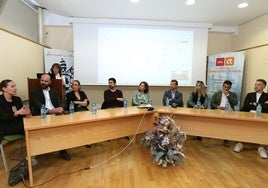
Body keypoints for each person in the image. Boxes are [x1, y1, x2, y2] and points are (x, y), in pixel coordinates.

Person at [30, 74, 71, 161]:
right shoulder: (34, 92)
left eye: (46, 81)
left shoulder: (54, 91)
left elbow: (60, 102)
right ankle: (39, 150)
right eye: (42, 80)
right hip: (42, 116)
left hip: (55, 115)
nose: (43, 82)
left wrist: (61, 108)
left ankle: (62, 150)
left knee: (62, 129)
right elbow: (39, 106)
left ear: (50, 82)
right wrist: (51, 111)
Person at [234, 79, 268, 158]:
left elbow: (267, 108)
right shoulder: (249, 95)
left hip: (262, 117)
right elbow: (246, 105)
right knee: (243, 127)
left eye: (258, 84)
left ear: (264, 86)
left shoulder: (267, 96)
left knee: (263, 130)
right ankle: (240, 143)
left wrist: (254, 103)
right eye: (255, 84)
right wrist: (261, 105)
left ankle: (261, 148)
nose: (256, 86)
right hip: (248, 116)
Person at [210, 80, 238, 147]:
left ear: (230, 88)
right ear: (222, 86)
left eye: (228, 87)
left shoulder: (233, 94)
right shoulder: (217, 94)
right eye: (225, 87)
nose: (226, 88)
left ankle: (226, 139)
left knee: (227, 123)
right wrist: (218, 107)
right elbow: (212, 103)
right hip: (218, 110)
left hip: (229, 111)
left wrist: (227, 95)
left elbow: (235, 103)